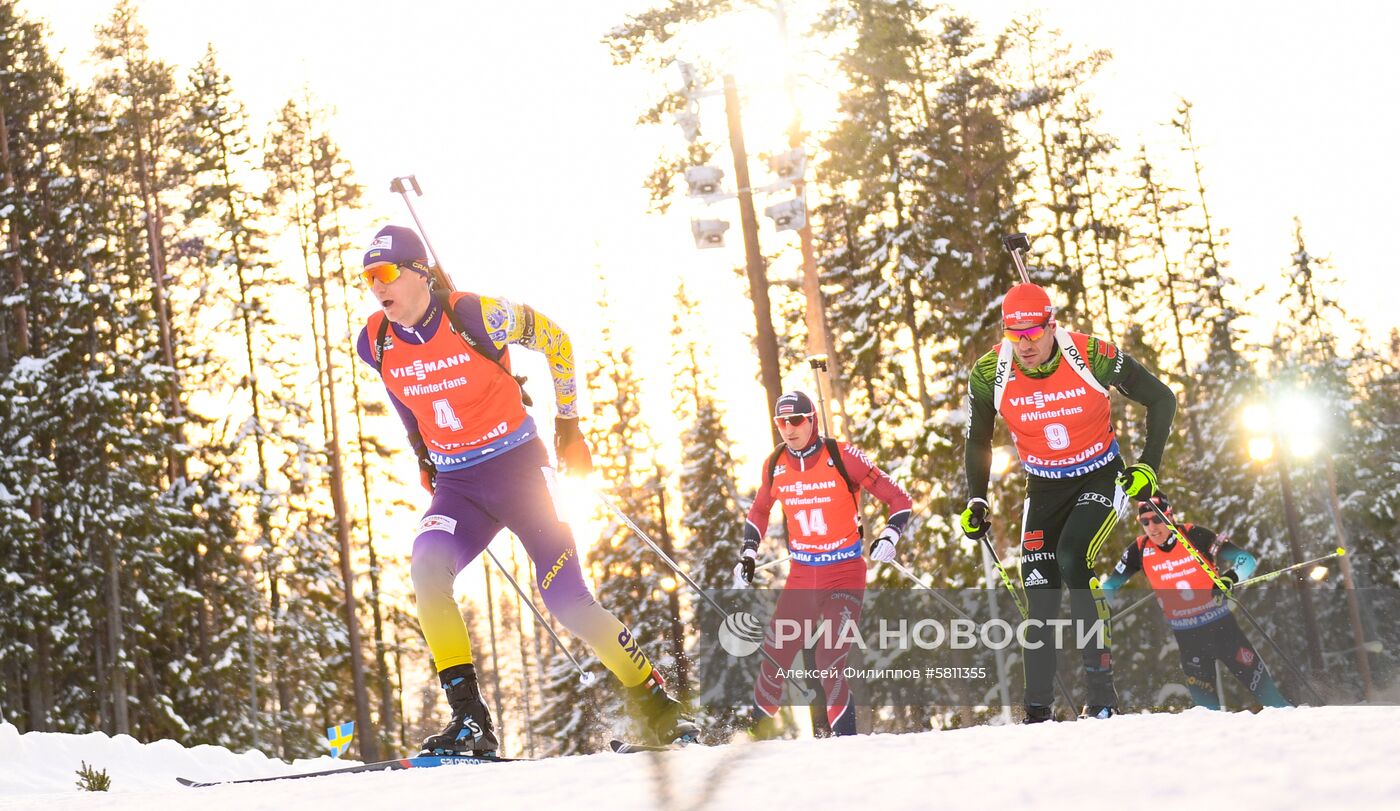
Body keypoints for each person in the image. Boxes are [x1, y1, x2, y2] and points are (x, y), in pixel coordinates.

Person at [355, 224, 697, 755]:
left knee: (567, 600)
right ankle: (470, 720)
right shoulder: (374, 339)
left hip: (520, 472)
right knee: (426, 569)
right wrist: (424, 453)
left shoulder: (475, 314)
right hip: (459, 488)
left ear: (419, 271)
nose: (376, 286)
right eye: (367, 277)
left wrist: (569, 426)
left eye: (385, 273)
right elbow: (403, 398)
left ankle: (656, 704)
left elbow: (555, 339)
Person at [960, 281, 1177, 722]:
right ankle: (1037, 709)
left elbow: (1162, 398)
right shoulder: (989, 373)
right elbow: (977, 438)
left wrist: (1148, 467)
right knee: (1038, 584)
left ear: (1051, 326)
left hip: (1101, 473)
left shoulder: (1089, 354)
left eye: (1032, 333)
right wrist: (977, 500)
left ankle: (1101, 696)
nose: (1023, 344)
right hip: (1043, 486)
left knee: (1073, 556)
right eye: (1012, 333)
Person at [734, 391, 912, 736]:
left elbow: (899, 499)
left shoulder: (842, 455)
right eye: (781, 422)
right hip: (802, 575)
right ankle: (754, 741)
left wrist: (891, 535)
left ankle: (846, 744)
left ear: (812, 419)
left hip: (844, 572)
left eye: (796, 420)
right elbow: (759, 510)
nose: (788, 428)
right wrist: (748, 552)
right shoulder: (775, 463)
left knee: (828, 660)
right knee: (774, 658)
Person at [1101, 495, 1291, 710]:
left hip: (1223, 629)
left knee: (1273, 702)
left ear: (1170, 516)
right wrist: (1101, 606)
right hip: (1189, 640)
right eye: (1144, 522)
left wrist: (1229, 578)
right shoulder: (1138, 549)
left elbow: (1246, 560)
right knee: (1207, 715)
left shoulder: (1194, 535)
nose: (1152, 527)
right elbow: (1109, 587)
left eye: (1157, 519)